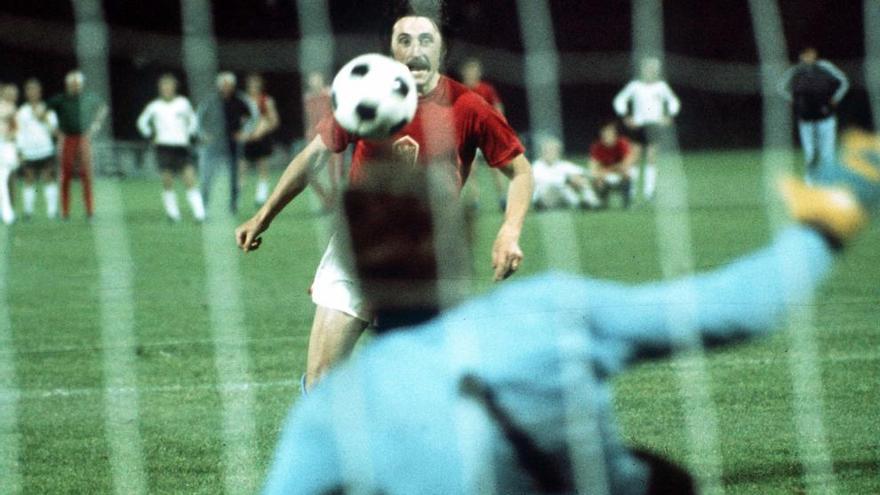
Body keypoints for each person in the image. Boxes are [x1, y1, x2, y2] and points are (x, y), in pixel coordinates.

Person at [260, 129, 880, 495]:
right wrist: (832, 215)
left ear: (353, 266)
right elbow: (737, 309)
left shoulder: (332, 411)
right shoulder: (547, 311)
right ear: (462, 237)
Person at [235, 14, 534, 392]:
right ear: (391, 50)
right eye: (405, 41)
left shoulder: (469, 107)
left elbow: (520, 171)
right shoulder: (366, 97)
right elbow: (313, 156)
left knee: (416, 389)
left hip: (425, 259)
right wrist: (264, 215)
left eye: (426, 40)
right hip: (359, 244)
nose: (416, 50)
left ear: (443, 49)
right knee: (321, 382)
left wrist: (510, 229)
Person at [136, 73, 205, 222]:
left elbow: (193, 120)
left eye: (169, 85)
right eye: (164, 86)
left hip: (181, 146)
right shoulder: (154, 106)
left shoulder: (183, 103)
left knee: (189, 178)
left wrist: (190, 134)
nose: (167, 88)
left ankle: (200, 213)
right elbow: (142, 122)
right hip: (163, 147)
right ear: (160, 88)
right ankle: (173, 214)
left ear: (175, 87)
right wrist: (150, 135)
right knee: (167, 180)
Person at [613, 57, 680, 201]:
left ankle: (649, 192)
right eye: (647, 69)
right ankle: (630, 192)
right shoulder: (635, 86)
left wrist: (668, 116)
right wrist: (626, 117)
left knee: (651, 158)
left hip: (654, 125)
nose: (650, 72)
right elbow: (620, 100)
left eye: (653, 69)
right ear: (643, 70)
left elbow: (673, 101)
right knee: (634, 158)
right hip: (638, 125)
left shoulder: (661, 86)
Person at [778, 47, 849, 182]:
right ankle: (810, 179)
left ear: (815, 54)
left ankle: (829, 180)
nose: (807, 57)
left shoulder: (824, 67)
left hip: (825, 117)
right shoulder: (797, 70)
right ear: (801, 56)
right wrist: (792, 99)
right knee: (810, 152)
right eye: (804, 55)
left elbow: (844, 82)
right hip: (806, 118)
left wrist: (836, 98)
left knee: (827, 151)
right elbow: (781, 86)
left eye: (810, 54)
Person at [46, 70, 107, 221]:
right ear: (67, 85)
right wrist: (54, 130)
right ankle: (65, 211)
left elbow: (103, 108)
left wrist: (95, 126)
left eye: (77, 84)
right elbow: (44, 111)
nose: (75, 87)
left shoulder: (88, 97)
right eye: (72, 84)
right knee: (65, 174)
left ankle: (90, 210)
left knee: (86, 174)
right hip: (67, 139)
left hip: (83, 137)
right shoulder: (60, 99)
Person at [196, 72, 254, 215]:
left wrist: (244, 133)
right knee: (208, 176)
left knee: (234, 177)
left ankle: (232, 206)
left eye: (229, 85)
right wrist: (204, 135)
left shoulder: (240, 101)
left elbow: (252, 117)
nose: (226, 87)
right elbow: (199, 118)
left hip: (232, 144)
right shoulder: (211, 101)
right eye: (223, 84)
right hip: (213, 144)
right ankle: (205, 207)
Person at [459, 57, 509, 212]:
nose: (471, 73)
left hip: (486, 135)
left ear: (479, 72)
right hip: (469, 137)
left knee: (496, 167)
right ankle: (475, 201)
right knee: (470, 170)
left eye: (474, 70)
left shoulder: (486, 89)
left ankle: (503, 198)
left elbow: (498, 107)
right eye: (468, 70)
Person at [16, 78, 59, 220]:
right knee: (29, 180)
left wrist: (43, 118)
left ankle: (52, 212)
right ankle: (28, 212)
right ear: (26, 93)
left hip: (46, 150)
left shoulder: (47, 109)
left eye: (35, 89)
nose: (32, 92)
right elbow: (19, 133)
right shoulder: (22, 111)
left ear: (40, 92)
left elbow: (54, 131)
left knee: (49, 179)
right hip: (29, 152)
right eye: (29, 89)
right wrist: (20, 151)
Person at [301, 70, 342, 211]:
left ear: (322, 80)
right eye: (312, 79)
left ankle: (333, 204)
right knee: (309, 173)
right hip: (315, 139)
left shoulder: (330, 94)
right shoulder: (308, 98)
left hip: (333, 137)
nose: (314, 82)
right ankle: (326, 200)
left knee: (334, 175)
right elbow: (309, 120)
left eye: (316, 79)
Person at [241, 73, 280, 207]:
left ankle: (261, 197)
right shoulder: (242, 100)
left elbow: (274, 121)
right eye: (251, 83)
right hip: (245, 138)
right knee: (241, 168)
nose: (254, 86)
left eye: (256, 83)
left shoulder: (266, 100)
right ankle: (237, 198)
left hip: (261, 138)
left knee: (263, 168)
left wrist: (262, 130)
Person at [531, 135, 598, 210]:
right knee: (561, 187)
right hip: (544, 196)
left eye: (554, 150)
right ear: (542, 152)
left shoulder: (562, 165)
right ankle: (577, 204)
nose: (551, 153)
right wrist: (567, 179)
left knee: (580, 180)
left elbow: (583, 172)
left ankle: (592, 202)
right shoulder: (536, 166)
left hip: (561, 196)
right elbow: (543, 181)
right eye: (548, 150)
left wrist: (578, 177)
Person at [589, 120, 637, 208]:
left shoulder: (622, 143)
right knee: (595, 180)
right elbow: (593, 170)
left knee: (629, 173)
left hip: (619, 175)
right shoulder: (597, 147)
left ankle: (627, 202)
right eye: (605, 134)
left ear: (615, 135)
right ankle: (601, 202)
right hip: (606, 176)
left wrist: (607, 169)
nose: (607, 137)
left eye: (610, 134)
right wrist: (602, 174)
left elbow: (627, 164)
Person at [0, 83, 19, 225]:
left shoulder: (11, 108)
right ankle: (6, 212)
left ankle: (7, 212)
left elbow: (16, 129)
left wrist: (9, 137)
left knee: (4, 179)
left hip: (6, 145)